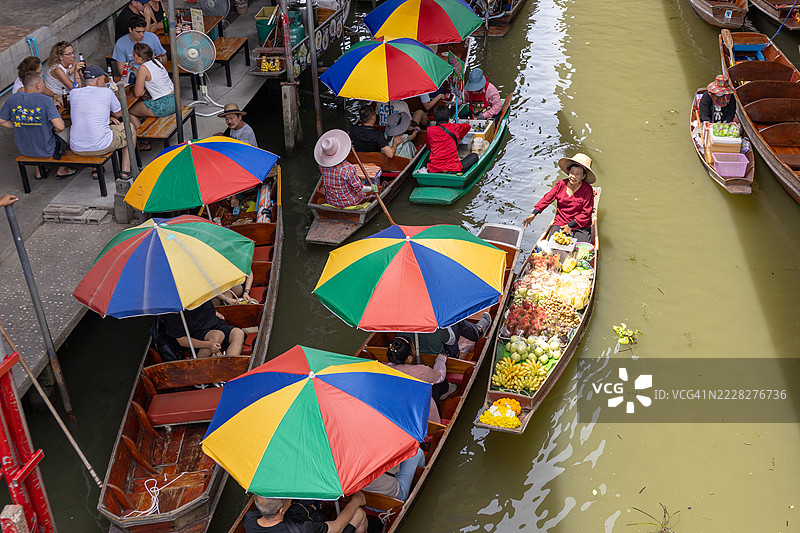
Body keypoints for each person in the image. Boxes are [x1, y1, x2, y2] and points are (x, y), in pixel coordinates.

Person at [0, 71, 76, 178]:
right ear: (37, 85)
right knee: (70, 129)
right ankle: (63, 168)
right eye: (43, 83)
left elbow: (1, 120)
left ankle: (39, 172)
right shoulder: (45, 100)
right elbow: (60, 126)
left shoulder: (12, 98)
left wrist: (21, 124)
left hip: (24, 150)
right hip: (47, 149)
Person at [69, 66, 136, 178]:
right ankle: (126, 170)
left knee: (92, 128)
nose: (105, 82)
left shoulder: (73, 93)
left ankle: (96, 170)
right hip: (100, 146)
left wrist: (106, 116)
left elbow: (86, 111)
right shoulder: (106, 92)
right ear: (98, 81)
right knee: (130, 128)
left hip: (77, 147)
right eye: (104, 79)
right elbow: (120, 113)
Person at [522, 153, 596, 243]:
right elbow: (547, 199)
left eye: (578, 174)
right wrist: (534, 213)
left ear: (583, 176)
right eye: (572, 173)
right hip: (561, 222)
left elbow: (586, 213)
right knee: (552, 245)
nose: (573, 176)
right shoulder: (560, 184)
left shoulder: (587, 189)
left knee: (580, 249)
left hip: (580, 225)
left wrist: (570, 225)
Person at [383, 336, 447, 423]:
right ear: (409, 358)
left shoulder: (384, 369)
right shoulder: (421, 371)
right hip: (421, 411)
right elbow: (440, 376)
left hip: (398, 408)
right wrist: (441, 360)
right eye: (413, 348)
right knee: (438, 385)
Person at [243, 492, 368, 533]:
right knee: (359, 514)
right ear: (281, 510)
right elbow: (338, 527)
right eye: (286, 498)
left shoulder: (249, 520)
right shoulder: (303, 529)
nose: (289, 497)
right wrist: (356, 501)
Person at [128, 42, 175, 148]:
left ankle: (145, 142)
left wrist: (142, 91)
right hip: (173, 100)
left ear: (140, 58)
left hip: (162, 104)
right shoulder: (156, 62)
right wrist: (133, 69)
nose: (132, 56)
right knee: (142, 105)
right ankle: (149, 131)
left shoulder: (143, 68)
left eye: (134, 54)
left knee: (128, 111)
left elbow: (138, 93)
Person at [315, 129, 376, 209]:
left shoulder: (321, 166)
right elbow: (360, 188)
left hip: (331, 201)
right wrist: (371, 188)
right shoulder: (348, 168)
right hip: (350, 202)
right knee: (375, 192)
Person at [163, 299, 245, 358]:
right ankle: (200, 369)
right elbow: (181, 340)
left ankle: (229, 366)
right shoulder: (174, 311)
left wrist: (215, 312)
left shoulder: (201, 293)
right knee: (217, 336)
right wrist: (208, 345)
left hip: (215, 323)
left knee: (238, 333)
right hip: (196, 333)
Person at [398, 312, 491, 360]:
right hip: (443, 358)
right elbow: (451, 340)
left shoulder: (399, 325)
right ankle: (478, 331)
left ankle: (477, 331)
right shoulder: (436, 329)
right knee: (455, 321)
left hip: (415, 355)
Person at [425, 106, 476, 174]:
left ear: (435, 120)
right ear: (449, 118)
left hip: (434, 169)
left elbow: (429, 147)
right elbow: (468, 126)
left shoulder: (429, 130)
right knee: (474, 156)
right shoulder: (455, 127)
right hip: (453, 169)